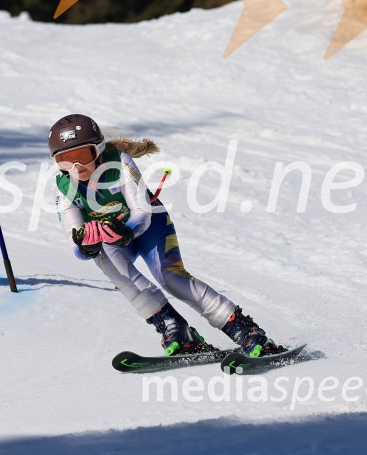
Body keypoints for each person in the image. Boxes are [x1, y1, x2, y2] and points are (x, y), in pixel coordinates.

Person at [49, 114, 286, 357]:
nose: (76, 167)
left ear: (98, 149)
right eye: (64, 161)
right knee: (111, 266)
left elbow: (142, 213)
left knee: (170, 277)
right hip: (113, 238)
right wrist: (84, 247)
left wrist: (126, 230)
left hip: (150, 225)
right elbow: (74, 239)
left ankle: (244, 329)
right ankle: (174, 328)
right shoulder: (64, 187)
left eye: (83, 156)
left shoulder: (119, 162)